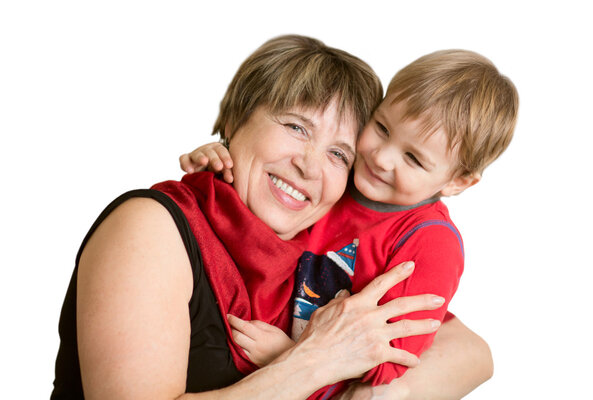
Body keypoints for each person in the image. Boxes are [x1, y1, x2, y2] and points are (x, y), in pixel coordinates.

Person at [52, 35, 492, 400]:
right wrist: (313, 361)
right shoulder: (152, 227)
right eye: (297, 127)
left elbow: (470, 352)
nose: (310, 166)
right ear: (237, 118)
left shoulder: (318, 255)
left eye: (339, 154)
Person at [180, 48, 517, 398]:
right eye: (382, 128)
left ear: (458, 181)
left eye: (413, 158)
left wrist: (291, 357)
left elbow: (392, 361)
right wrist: (222, 158)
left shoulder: (429, 241)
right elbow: (250, 222)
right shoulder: (340, 181)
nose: (381, 158)